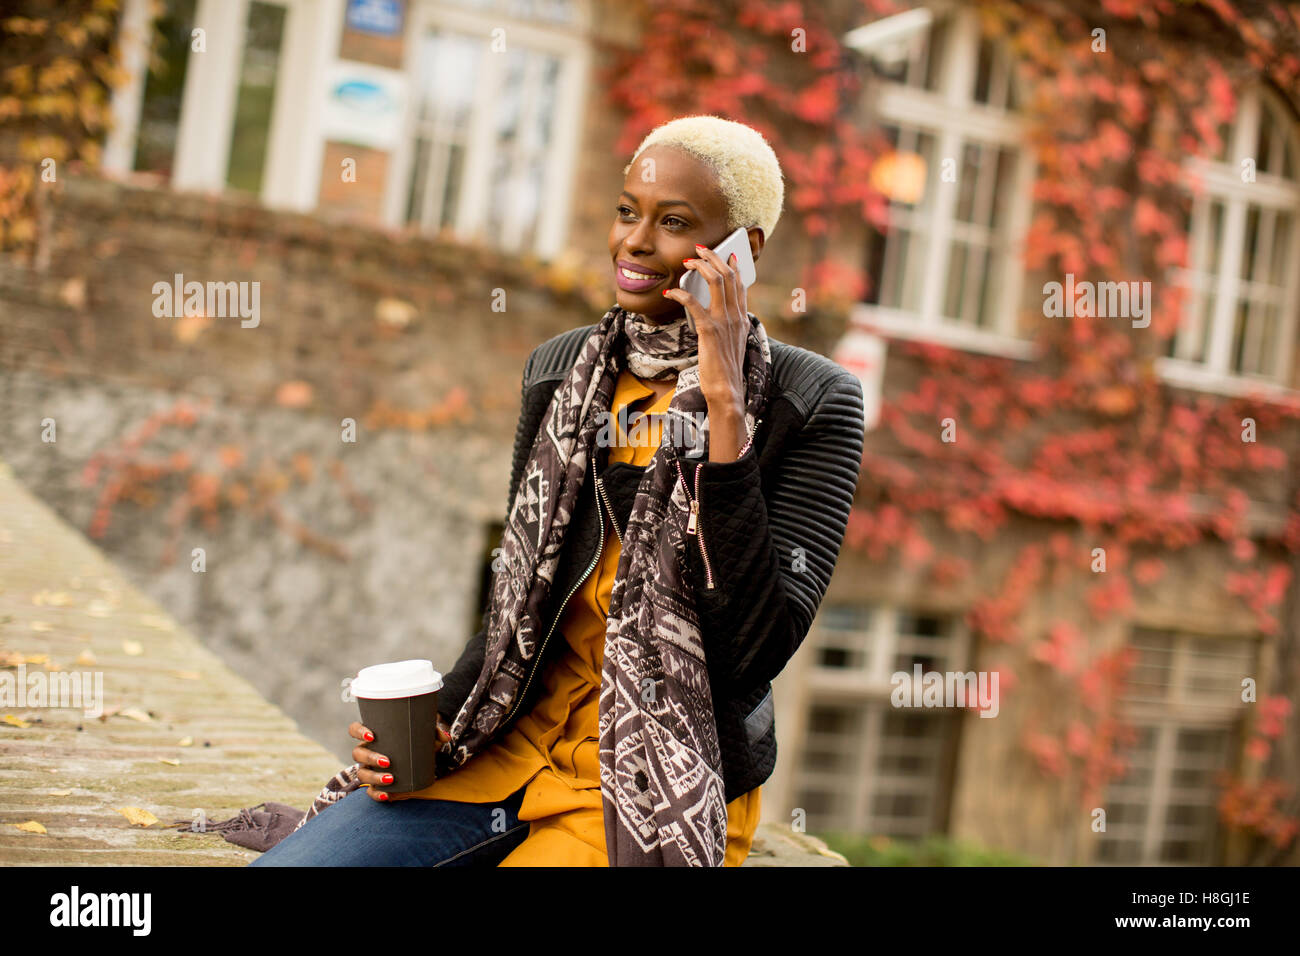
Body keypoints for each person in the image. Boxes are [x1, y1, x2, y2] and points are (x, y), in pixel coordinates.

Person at [250, 114, 865, 867]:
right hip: (504, 749)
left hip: (651, 787)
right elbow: (519, 592)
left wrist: (725, 404)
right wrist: (446, 711)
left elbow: (753, 649)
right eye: (627, 211)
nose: (635, 242)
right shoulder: (562, 371)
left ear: (742, 250)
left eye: (673, 223)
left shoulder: (812, 400)